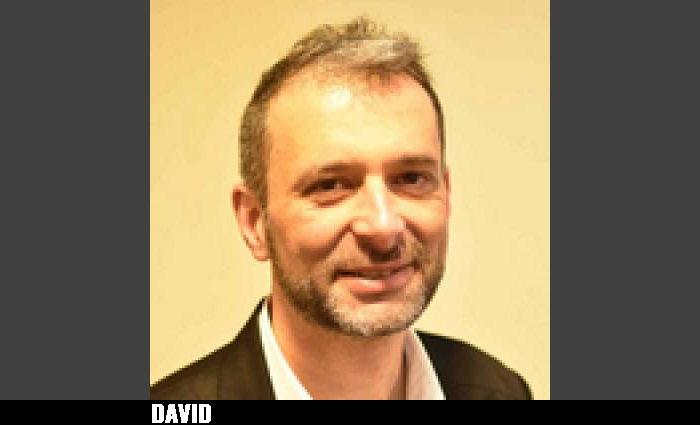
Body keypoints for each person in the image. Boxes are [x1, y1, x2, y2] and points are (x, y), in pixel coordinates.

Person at [151, 16, 532, 400]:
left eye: (411, 178)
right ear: (254, 222)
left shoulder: (501, 391)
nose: (383, 226)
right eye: (330, 186)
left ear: (446, 193)